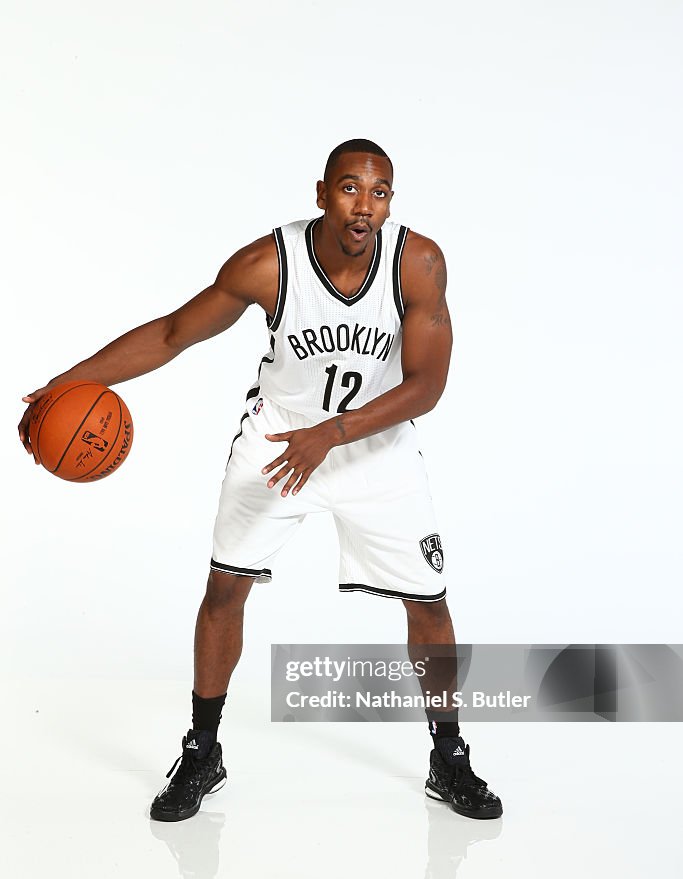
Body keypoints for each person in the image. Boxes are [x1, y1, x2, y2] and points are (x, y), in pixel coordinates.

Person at [19, 139, 503, 822]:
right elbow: (171, 334)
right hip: (279, 439)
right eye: (348, 188)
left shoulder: (416, 263)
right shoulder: (266, 265)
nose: (363, 205)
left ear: (389, 201)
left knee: (427, 603)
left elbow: (426, 387)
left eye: (378, 192)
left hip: (374, 448)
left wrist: (331, 435)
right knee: (224, 588)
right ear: (320, 193)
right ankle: (202, 749)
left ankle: (447, 757)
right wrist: (70, 382)